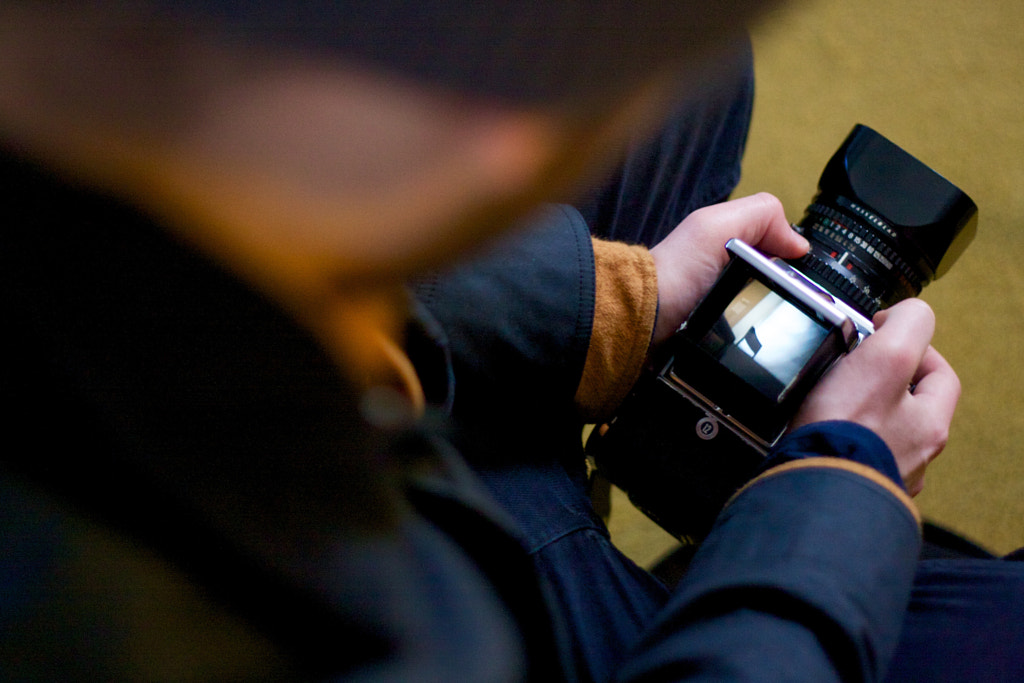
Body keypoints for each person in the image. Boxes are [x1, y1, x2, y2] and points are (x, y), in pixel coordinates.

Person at [1, 2, 1021, 681]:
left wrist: (623, 302)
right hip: (430, 549)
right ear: (503, 145)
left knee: (694, 82)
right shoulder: (413, 643)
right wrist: (840, 491)